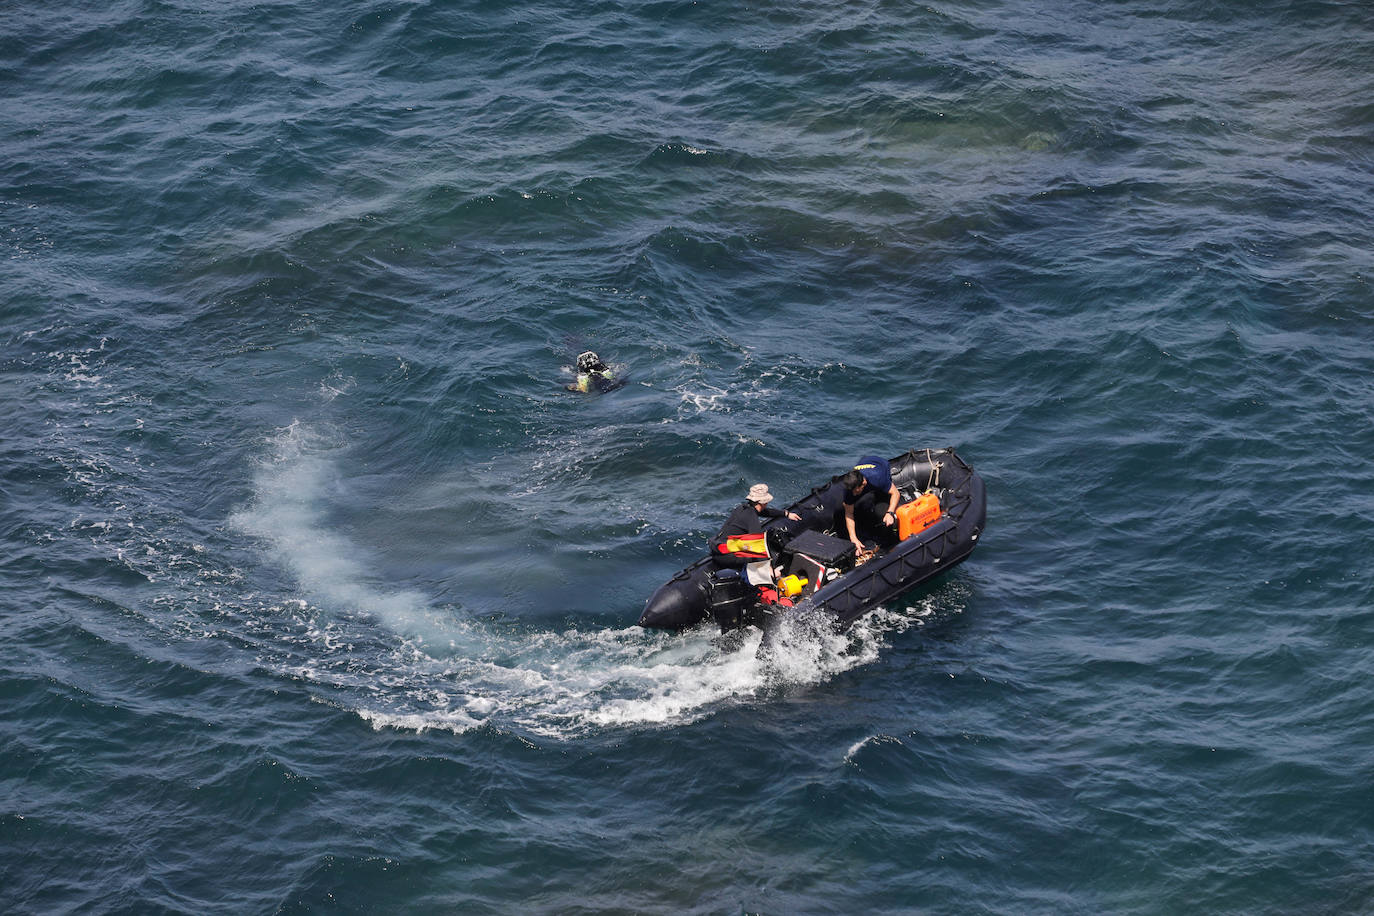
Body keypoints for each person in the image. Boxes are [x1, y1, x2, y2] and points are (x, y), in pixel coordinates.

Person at [710, 483, 800, 573]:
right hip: (726, 557)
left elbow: (765, 512)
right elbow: (758, 546)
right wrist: (770, 570)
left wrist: (786, 514)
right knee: (764, 557)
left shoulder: (742, 508)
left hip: (717, 550)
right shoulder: (751, 517)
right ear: (763, 502)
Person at [842, 455, 900, 553]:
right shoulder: (850, 489)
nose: (854, 494)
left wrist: (890, 513)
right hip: (864, 461)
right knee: (860, 508)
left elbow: (896, 493)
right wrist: (853, 538)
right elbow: (848, 514)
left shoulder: (877, 478)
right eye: (853, 492)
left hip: (881, 464)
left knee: (881, 510)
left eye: (856, 492)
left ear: (863, 484)